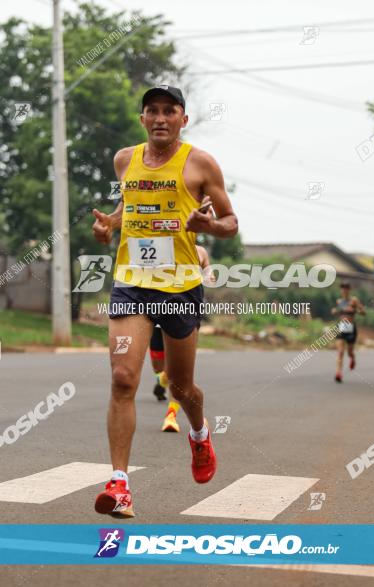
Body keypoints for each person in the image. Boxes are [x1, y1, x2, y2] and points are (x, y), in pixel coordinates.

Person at [90, 85, 238, 518]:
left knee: (181, 387)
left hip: (180, 286)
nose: (160, 118)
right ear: (142, 119)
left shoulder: (200, 163)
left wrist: (207, 226)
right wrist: (109, 228)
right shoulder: (124, 160)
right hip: (132, 283)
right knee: (122, 378)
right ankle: (119, 485)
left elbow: (230, 221)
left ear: (182, 119)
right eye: (151, 111)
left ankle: (198, 434)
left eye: (169, 111)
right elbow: (131, 208)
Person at [156, 244, 213, 434]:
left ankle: (171, 416)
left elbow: (210, 275)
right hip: (154, 308)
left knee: (178, 378)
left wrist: (207, 276)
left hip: (183, 311)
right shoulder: (159, 243)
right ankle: (162, 380)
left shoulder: (200, 252)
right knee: (160, 370)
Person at [330, 282, 365, 383]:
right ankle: (338, 373)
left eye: (346, 288)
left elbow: (363, 312)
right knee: (340, 352)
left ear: (349, 290)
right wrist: (334, 311)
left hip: (350, 328)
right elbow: (335, 311)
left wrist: (355, 310)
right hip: (341, 327)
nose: (344, 290)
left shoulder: (354, 300)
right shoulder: (339, 301)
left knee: (349, 352)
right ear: (341, 290)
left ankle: (352, 359)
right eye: (342, 288)